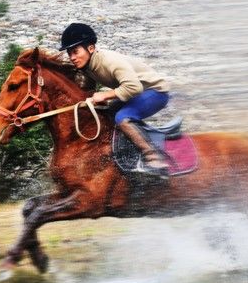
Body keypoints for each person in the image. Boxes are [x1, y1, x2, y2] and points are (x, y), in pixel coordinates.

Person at [59, 22, 172, 176]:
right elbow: (88, 87)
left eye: (75, 52)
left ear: (90, 48)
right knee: (107, 112)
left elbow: (134, 87)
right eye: (69, 53)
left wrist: (105, 95)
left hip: (156, 92)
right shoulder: (88, 64)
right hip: (137, 93)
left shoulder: (109, 61)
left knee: (123, 117)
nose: (72, 57)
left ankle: (154, 158)